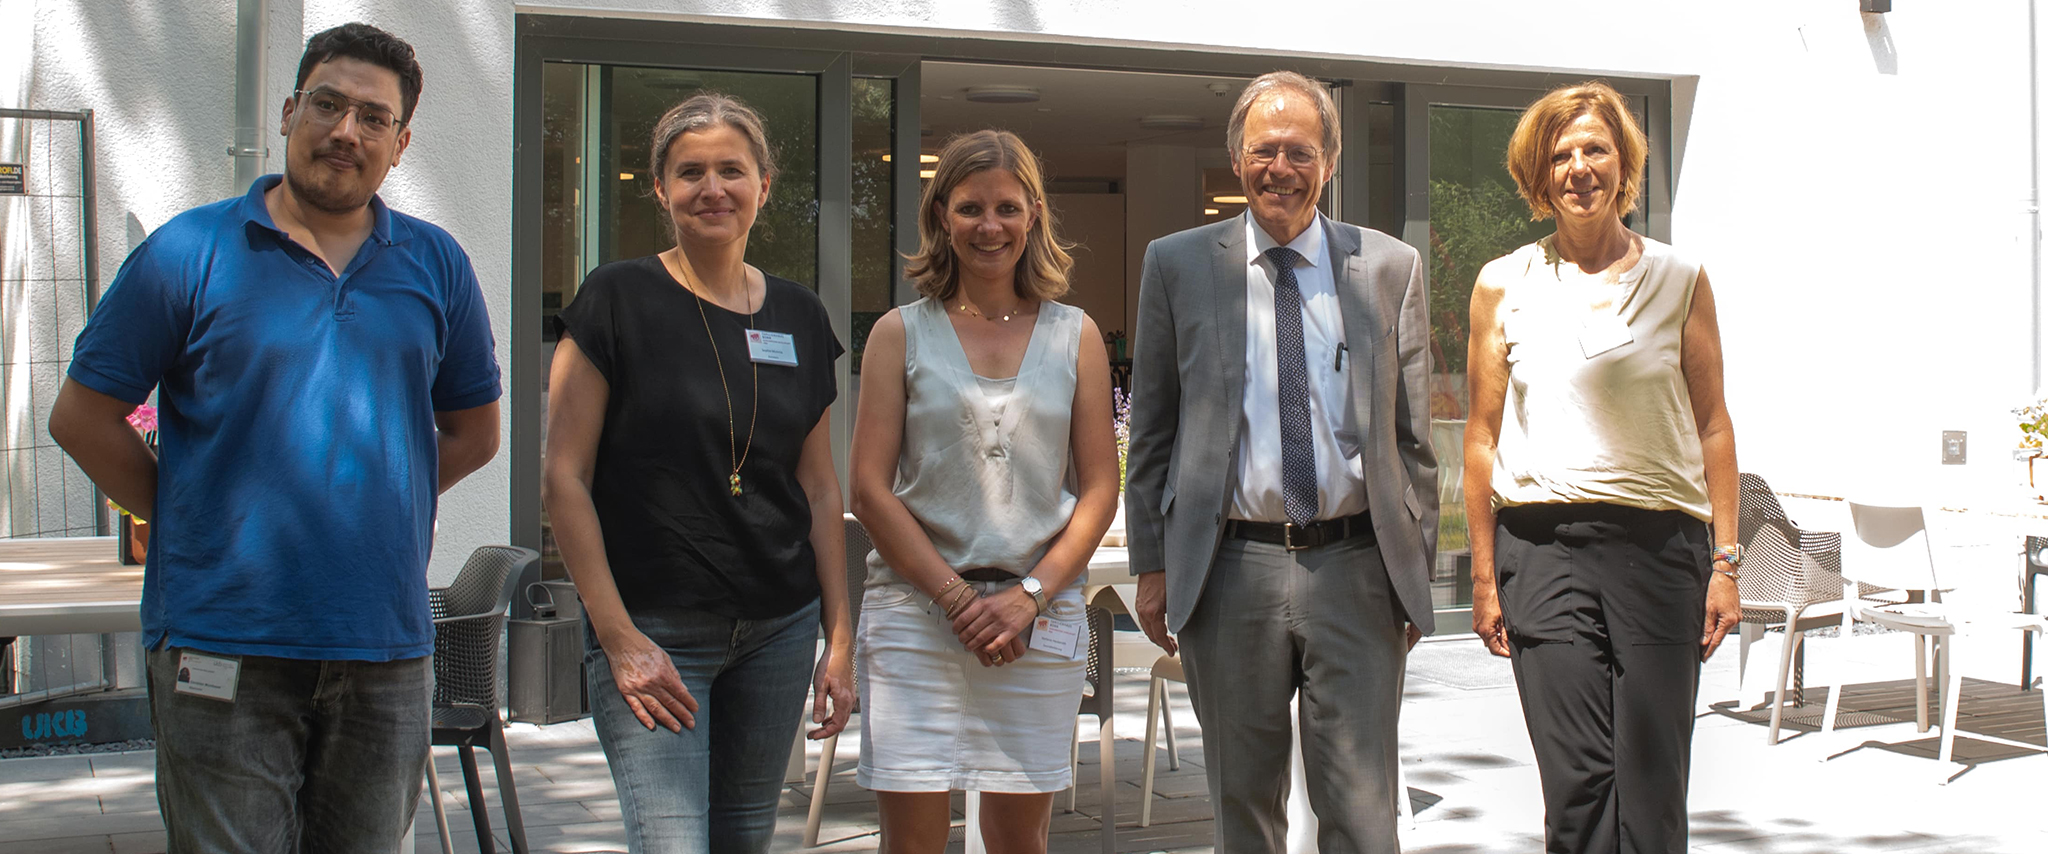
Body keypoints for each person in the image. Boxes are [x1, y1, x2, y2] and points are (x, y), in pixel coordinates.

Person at [48, 22, 502, 852]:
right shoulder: (189, 252)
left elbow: (474, 433)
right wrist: (189, 511)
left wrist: (374, 501)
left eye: (373, 118)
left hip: (383, 643)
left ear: (399, 145)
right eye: (327, 104)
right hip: (221, 637)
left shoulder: (436, 265)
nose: (345, 130)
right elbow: (80, 417)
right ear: (291, 111)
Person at [1123, 70, 1437, 853]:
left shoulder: (1390, 267)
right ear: (1237, 159)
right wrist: (1153, 564)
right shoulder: (1177, 265)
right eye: (1264, 150)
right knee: (1243, 806)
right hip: (1231, 571)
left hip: (1357, 568)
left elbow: (1413, 440)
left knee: (1364, 815)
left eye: (1300, 151)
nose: (1280, 168)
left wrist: (1411, 569)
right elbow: (1152, 431)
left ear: (1329, 161)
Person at [542, 92, 853, 854]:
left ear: (764, 186)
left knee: (744, 840)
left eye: (731, 170)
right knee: (672, 841)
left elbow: (818, 490)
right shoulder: (616, 298)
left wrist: (839, 639)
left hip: (778, 628)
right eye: (690, 173)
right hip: (655, 627)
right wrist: (617, 637)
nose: (712, 188)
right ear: (660, 189)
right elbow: (563, 479)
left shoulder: (799, 314)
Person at [1464, 80, 1740, 854]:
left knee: (1652, 787)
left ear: (1624, 166)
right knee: (1577, 786)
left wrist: (1726, 563)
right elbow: (1480, 440)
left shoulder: (1681, 280)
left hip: (1660, 553)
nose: (1579, 167)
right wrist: (1485, 578)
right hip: (1541, 553)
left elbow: (1714, 427)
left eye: (1595, 149)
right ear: (1537, 175)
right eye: (1560, 155)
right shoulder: (1502, 283)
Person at [848, 129, 1118, 854]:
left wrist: (1028, 594)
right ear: (942, 215)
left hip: (1038, 620)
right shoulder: (897, 334)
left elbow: (1099, 490)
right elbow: (869, 490)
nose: (988, 226)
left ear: (1033, 213)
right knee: (910, 844)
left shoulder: (1077, 335)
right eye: (969, 208)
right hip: (915, 614)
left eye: (1005, 208)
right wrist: (958, 598)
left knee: (1017, 842)